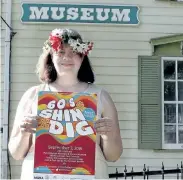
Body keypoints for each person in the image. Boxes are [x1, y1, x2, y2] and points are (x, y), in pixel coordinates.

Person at [8, 28, 123, 180]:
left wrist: (108, 136)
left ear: (82, 57)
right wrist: (24, 133)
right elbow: (16, 154)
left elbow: (113, 156)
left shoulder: (101, 96)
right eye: (61, 52)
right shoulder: (32, 95)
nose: (67, 57)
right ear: (51, 56)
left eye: (74, 52)